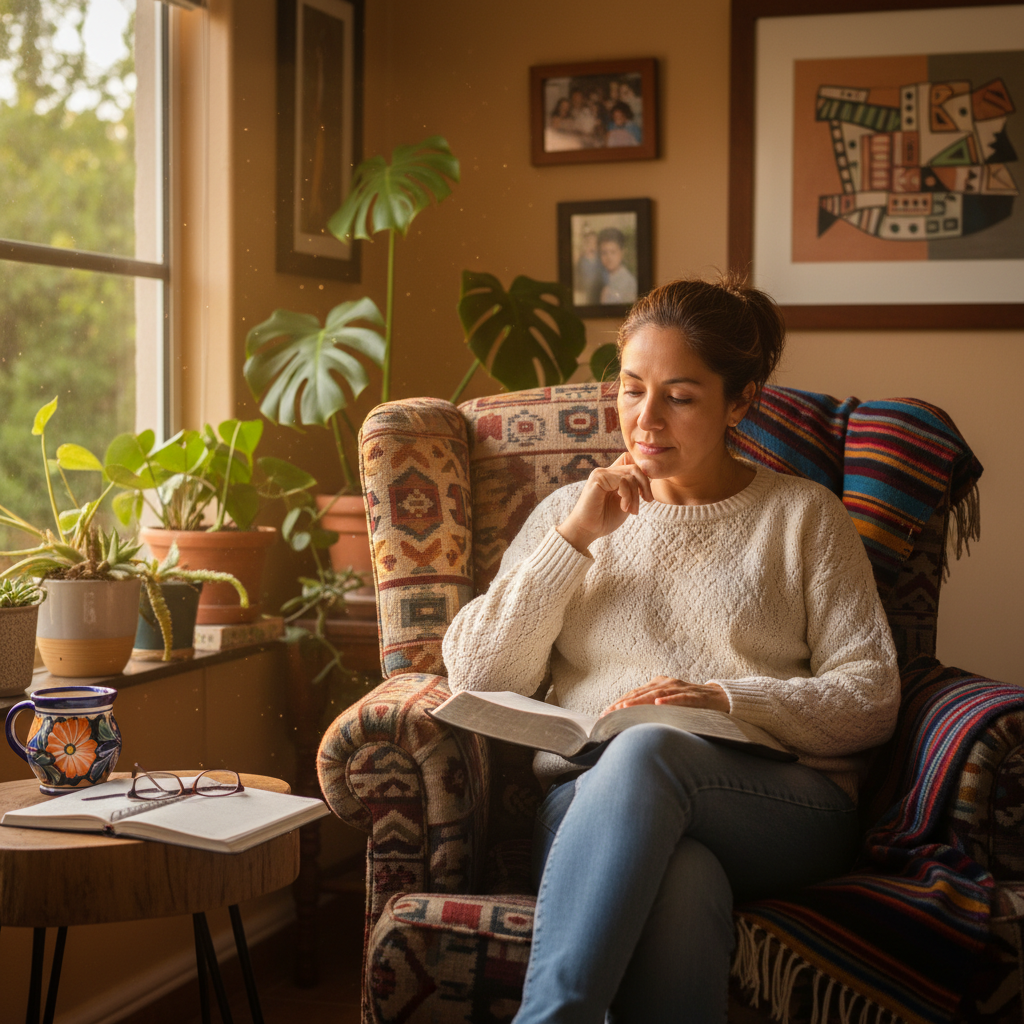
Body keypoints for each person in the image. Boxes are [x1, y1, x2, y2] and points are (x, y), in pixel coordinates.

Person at [442, 276, 900, 1024]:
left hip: (779, 809)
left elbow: (871, 702)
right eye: (630, 389)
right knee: (682, 876)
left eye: (680, 396)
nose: (644, 419)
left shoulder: (801, 517)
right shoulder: (570, 512)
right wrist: (574, 543)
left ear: (740, 400)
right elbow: (479, 675)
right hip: (589, 805)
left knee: (650, 747)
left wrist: (722, 699)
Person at [597, 227, 637, 304]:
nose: (609, 257)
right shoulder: (601, 278)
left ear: (622, 252)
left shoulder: (629, 282)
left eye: (613, 252)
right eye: (604, 253)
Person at [574, 229, 604, 305]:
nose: (592, 245)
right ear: (585, 243)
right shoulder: (581, 260)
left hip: (599, 293)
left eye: (594, 242)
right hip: (585, 293)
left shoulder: (600, 258)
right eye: (589, 242)